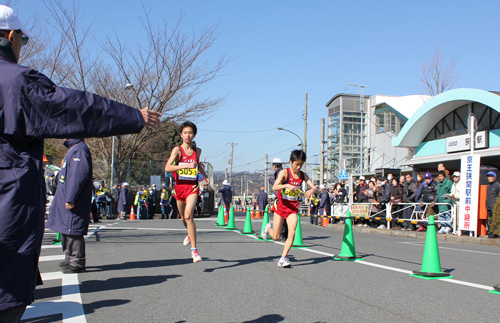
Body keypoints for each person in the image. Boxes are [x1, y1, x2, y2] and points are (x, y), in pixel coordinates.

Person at [0, 5, 161, 320]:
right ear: (11, 36)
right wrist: (133, 116)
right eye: (23, 40)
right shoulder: (17, 82)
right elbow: (75, 109)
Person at [261, 150, 317, 268]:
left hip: (292, 208)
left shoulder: (302, 175)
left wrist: (311, 190)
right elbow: (274, 187)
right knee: (276, 236)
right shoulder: (284, 173)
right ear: (291, 162)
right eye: (296, 164)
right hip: (281, 206)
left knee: (292, 232)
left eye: (301, 164)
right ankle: (268, 228)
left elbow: (314, 187)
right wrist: (286, 185)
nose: (298, 167)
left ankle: (282, 259)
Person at [164, 121, 209, 263]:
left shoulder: (197, 151)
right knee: (183, 217)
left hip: (192, 187)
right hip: (180, 187)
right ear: (181, 135)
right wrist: (184, 166)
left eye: (190, 132)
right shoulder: (177, 150)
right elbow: (167, 168)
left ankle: (194, 251)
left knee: (189, 215)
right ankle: (190, 234)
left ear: (194, 135)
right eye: (185, 132)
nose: (188, 135)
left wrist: (204, 175)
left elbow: (197, 165)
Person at [46, 139, 92, 274]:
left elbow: (77, 176)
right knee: (65, 229)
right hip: (65, 197)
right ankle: (69, 258)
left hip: (72, 200)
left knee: (73, 230)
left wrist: (71, 197)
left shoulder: (79, 150)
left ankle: (77, 261)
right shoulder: (74, 149)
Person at [485, 171, 500, 238]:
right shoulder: (488, 186)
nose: (489, 178)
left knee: (495, 220)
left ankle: (495, 233)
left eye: (491, 176)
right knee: (489, 220)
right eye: (488, 177)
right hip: (488, 206)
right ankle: (490, 232)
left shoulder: (497, 185)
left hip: (495, 207)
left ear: (495, 177)